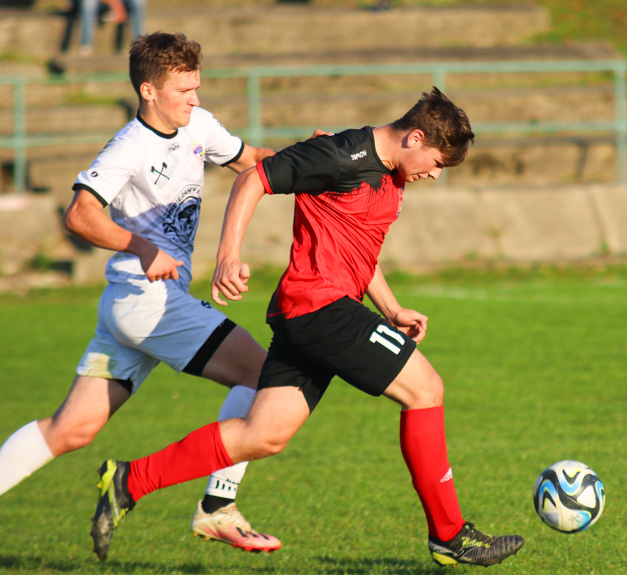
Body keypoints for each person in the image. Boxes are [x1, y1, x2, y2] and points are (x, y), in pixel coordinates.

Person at [89, 87, 526, 567]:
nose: (435, 174)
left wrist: (392, 308)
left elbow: (358, 248)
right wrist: (229, 256)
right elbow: (252, 179)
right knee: (426, 389)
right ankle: (449, 534)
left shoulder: (389, 175)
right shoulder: (338, 154)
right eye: (437, 161)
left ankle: (130, 480)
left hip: (316, 313)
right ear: (414, 137)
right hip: (320, 308)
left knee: (265, 434)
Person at [0, 32, 282, 557]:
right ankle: (218, 509)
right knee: (261, 373)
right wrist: (143, 247)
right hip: (145, 298)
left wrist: (323, 156)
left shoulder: (198, 124)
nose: (194, 98)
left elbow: (253, 160)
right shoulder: (128, 145)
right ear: (149, 90)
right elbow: (81, 214)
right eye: (183, 90)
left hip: (130, 308)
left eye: (197, 87)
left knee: (70, 429)